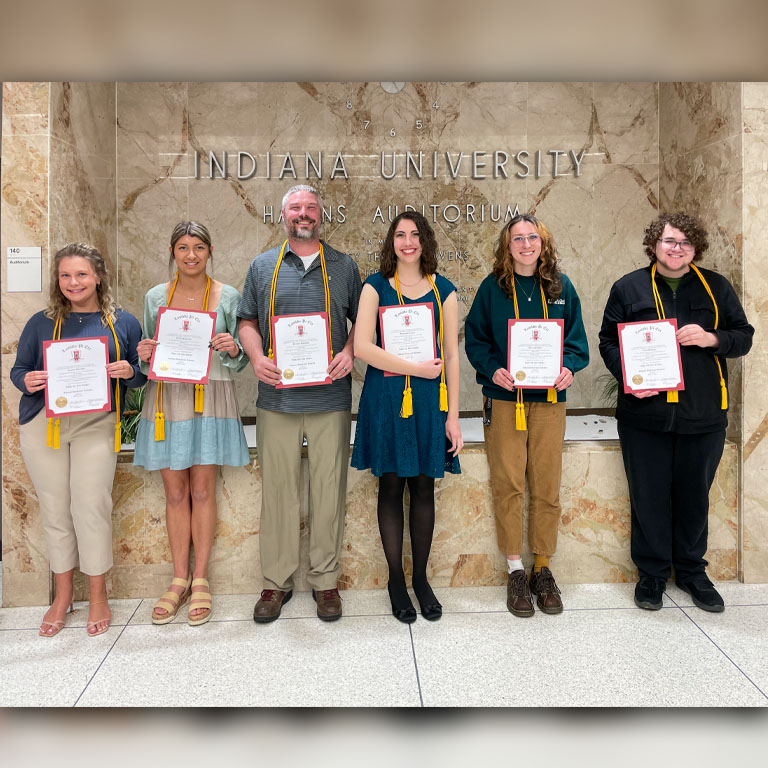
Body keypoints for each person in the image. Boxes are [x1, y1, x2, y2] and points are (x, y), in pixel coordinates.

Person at [599, 212, 753, 613]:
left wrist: (711, 337)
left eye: (685, 243)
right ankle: (651, 575)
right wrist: (630, 376)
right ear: (654, 244)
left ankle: (690, 572)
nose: (676, 249)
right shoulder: (628, 287)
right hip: (643, 416)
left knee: (693, 498)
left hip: (702, 416)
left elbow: (743, 336)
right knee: (647, 496)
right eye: (669, 241)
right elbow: (608, 341)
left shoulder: (715, 286)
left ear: (695, 248)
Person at [237, 184, 363, 623]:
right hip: (276, 399)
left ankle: (326, 581)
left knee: (329, 491)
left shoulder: (344, 266)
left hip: (330, 398)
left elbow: (362, 325)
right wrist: (256, 357)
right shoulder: (262, 265)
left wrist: (349, 351)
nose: (303, 214)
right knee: (279, 493)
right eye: (296, 208)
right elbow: (246, 322)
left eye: (311, 207)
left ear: (321, 215)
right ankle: (276, 582)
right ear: (284, 214)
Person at [11, 243, 145, 637]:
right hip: (44, 424)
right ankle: (63, 594)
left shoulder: (123, 322)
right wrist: (26, 380)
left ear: (99, 277)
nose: (74, 282)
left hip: (95, 423)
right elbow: (19, 369)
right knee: (55, 511)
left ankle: (98, 595)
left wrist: (127, 371)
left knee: (91, 506)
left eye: (82, 274)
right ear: (58, 280)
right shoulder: (40, 322)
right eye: (66, 275)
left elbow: (141, 373)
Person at [465, 214, 589, 617]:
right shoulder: (492, 288)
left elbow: (577, 342)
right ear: (507, 246)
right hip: (505, 401)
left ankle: (543, 568)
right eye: (517, 239)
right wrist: (492, 369)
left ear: (542, 242)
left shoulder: (561, 287)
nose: (525, 244)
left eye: (532, 237)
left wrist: (569, 365)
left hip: (550, 401)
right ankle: (515, 569)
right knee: (509, 484)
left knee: (547, 485)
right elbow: (476, 340)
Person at [133, 221, 250, 626]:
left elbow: (240, 358)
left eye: (198, 247)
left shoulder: (228, 296)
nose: (191, 255)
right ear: (172, 251)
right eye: (182, 247)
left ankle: (201, 577)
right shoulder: (155, 297)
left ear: (209, 250)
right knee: (175, 492)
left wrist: (233, 347)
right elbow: (146, 356)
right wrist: (144, 352)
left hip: (212, 395)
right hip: (168, 401)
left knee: (202, 491)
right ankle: (178, 577)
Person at [351, 212, 462, 623]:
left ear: (425, 240)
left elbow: (451, 355)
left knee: (424, 488)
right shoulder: (374, 286)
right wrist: (415, 369)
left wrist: (453, 415)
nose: (408, 242)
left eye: (415, 235)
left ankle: (420, 580)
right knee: (391, 486)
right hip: (387, 398)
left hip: (431, 401)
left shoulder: (443, 290)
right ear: (391, 242)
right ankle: (395, 580)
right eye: (400, 235)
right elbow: (362, 346)